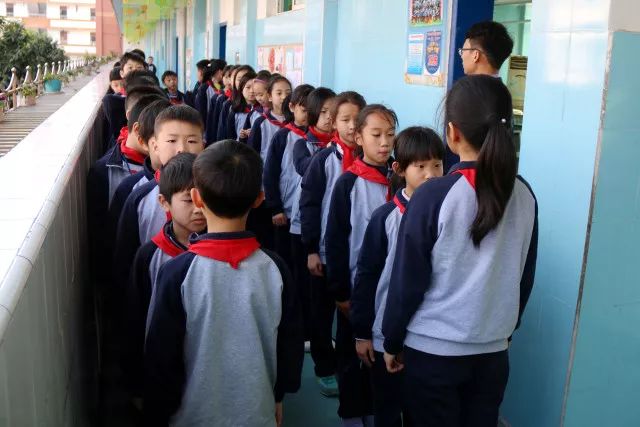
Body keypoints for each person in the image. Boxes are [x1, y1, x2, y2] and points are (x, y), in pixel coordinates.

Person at [382, 75, 538, 427]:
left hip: (432, 354)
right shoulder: (524, 195)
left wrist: (392, 340)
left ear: (452, 133)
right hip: (492, 355)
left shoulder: (433, 196)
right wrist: (504, 332)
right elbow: (524, 278)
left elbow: (407, 282)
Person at [144, 140, 304, 426]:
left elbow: (161, 356)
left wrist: (159, 410)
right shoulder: (276, 269)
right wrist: (279, 394)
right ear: (259, 199)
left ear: (196, 197)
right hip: (257, 412)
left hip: (192, 417)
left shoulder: (178, 273)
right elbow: (289, 343)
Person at [351, 126, 444, 427]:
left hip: (428, 337)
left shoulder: (449, 213)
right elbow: (367, 276)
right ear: (400, 169)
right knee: (388, 409)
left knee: (421, 411)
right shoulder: (385, 217)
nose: (431, 175)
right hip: (384, 335)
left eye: (437, 165)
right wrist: (362, 332)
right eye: (421, 166)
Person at [325, 104, 397, 427]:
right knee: (351, 357)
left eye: (390, 135)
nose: (384, 143)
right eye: (376, 135)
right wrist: (341, 292)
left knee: (382, 364)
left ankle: (375, 413)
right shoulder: (348, 184)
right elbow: (336, 241)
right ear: (358, 138)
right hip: (356, 292)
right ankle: (352, 415)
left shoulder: (399, 179)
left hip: (390, 293)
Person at [298, 90, 365, 399]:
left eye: (357, 120)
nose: (351, 126)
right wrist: (311, 249)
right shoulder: (324, 159)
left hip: (357, 257)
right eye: (345, 119)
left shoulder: (374, 162)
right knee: (322, 314)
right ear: (334, 122)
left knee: (351, 316)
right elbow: (309, 204)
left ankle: (348, 368)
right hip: (325, 253)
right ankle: (325, 367)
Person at [112, 105, 206, 319]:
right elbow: (123, 262)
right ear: (154, 146)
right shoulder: (136, 196)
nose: (182, 149)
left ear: (204, 146)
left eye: (192, 141)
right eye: (171, 141)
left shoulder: (217, 197)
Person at [125, 152, 205, 400]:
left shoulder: (219, 255)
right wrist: (136, 384)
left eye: (204, 199)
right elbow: (136, 318)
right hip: (161, 373)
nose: (199, 209)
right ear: (164, 202)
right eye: (188, 200)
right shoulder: (149, 256)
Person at [248, 75, 292, 161]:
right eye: (279, 93)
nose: (284, 97)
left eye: (288, 93)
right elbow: (251, 152)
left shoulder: (296, 122)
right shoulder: (260, 123)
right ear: (270, 96)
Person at [216, 65, 255, 141]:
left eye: (247, 78)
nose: (244, 82)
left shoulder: (261, 109)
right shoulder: (229, 106)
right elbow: (223, 133)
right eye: (240, 79)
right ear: (234, 81)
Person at [225, 70, 258, 141]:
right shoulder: (234, 110)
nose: (252, 91)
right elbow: (230, 136)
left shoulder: (262, 111)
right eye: (248, 87)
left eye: (254, 88)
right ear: (241, 89)